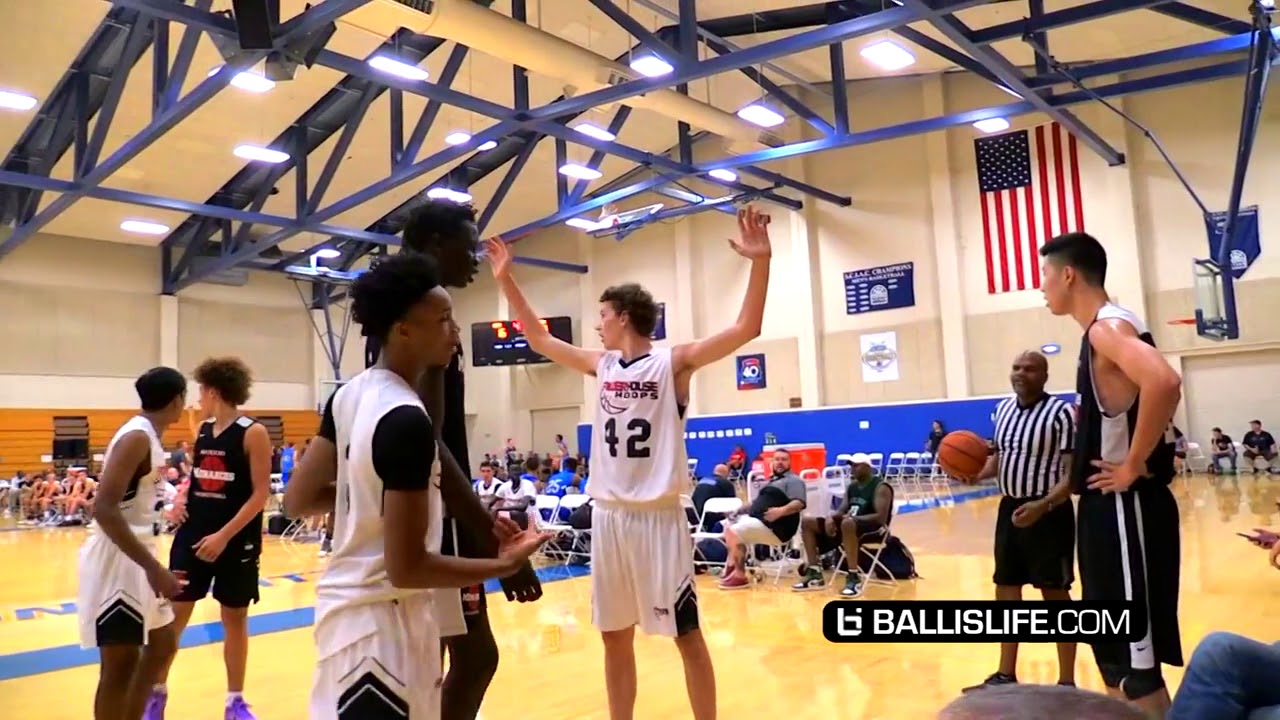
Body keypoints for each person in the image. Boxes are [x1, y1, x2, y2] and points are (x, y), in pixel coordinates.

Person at [486, 205, 775, 720]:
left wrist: (761, 260)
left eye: (601, 316)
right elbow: (540, 339)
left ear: (622, 316)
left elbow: (747, 327)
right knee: (613, 637)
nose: (597, 326)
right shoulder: (601, 365)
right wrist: (508, 282)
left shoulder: (675, 361)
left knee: (686, 635)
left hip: (658, 517)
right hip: (611, 516)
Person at [284, 251, 551, 720]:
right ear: (404, 329)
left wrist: (368, 501)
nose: (454, 331)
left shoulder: (348, 394)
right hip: (382, 630)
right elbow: (407, 568)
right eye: (444, 319)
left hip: (348, 621)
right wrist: (501, 564)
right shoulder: (407, 419)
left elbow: (298, 500)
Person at [1039, 232, 1183, 718]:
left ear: (1068, 275)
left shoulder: (1106, 328)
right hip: (1110, 508)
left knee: (1135, 666)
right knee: (1116, 658)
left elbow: (1164, 380)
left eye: (1044, 275)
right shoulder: (1107, 328)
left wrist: (1133, 462)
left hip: (1126, 508)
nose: (1042, 287)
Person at [147, 358, 273, 720]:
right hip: (193, 537)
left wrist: (223, 535)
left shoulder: (253, 432)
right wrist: (182, 499)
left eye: (200, 390)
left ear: (213, 391)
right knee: (174, 617)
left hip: (235, 540)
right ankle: (156, 694)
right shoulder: (202, 429)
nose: (196, 398)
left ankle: (235, 702)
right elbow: (199, 477)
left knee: (234, 619)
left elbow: (260, 494)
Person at [962, 351, 1078, 692]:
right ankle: (1005, 673)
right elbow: (997, 460)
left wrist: (1042, 505)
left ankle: (1067, 680)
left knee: (1054, 593)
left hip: (1049, 513)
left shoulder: (1061, 413)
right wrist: (973, 474)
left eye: (1030, 369)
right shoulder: (1003, 410)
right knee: (1006, 589)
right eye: (1016, 367)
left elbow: (1073, 476)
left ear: (1044, 375)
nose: (1021, 374)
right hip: (1009, 509)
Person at [77, 367, 188, 720]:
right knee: (119, 666)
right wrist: (154, 569)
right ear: (177, 401)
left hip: (139, 555)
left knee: (162, 644)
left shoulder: (149, 438)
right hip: (118, 562)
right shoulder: (136, 437)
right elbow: (104, 508)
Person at [792, 453, 893, 596]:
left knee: (847, 523)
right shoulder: (852, 486)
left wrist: (851, 520)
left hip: (873, 529)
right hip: (849, 526)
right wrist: (830, 518)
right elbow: (841, 510)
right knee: (808, 522)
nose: (852, 469)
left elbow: (880, 518)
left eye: (856, 465)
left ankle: (853, 577)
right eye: (851, 465)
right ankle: (814, 573)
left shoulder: (881, 487)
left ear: (867, 467)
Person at [717, 447, 807, 591]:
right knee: (727, 524)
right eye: (777, 459)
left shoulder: (794, 481)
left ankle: (739, 575)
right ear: (772, 461)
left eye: (784, 460)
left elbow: (799, 503)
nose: (780, 463)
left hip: (776, 528)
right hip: (760, 522)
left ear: (790, 462)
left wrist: (781, 511)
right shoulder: (772, 481)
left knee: (735, 531)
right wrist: (737, 511)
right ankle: (731, 567)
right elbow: (756, 503)